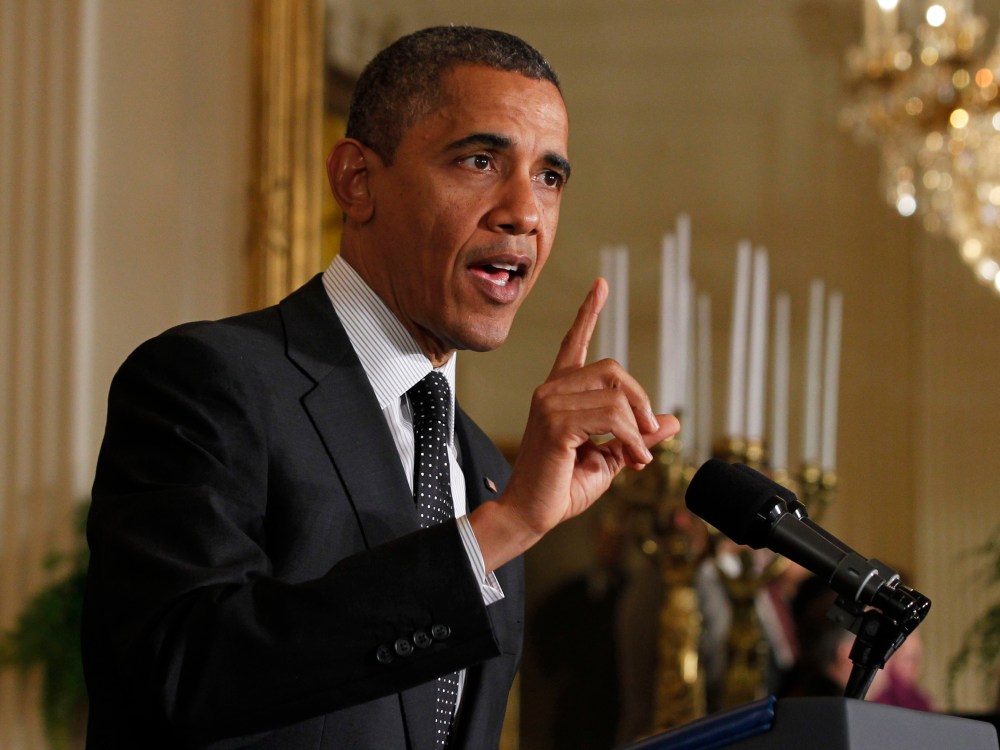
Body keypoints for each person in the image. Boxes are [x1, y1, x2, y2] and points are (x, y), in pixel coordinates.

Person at [81, 25, 679, 750]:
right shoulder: (208, 381)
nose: (524, 211)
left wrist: (507, 514)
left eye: (549, 177)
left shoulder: (487, 471)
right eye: (482, 160)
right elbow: (183, 676)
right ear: (357, 181)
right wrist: (506, 527)